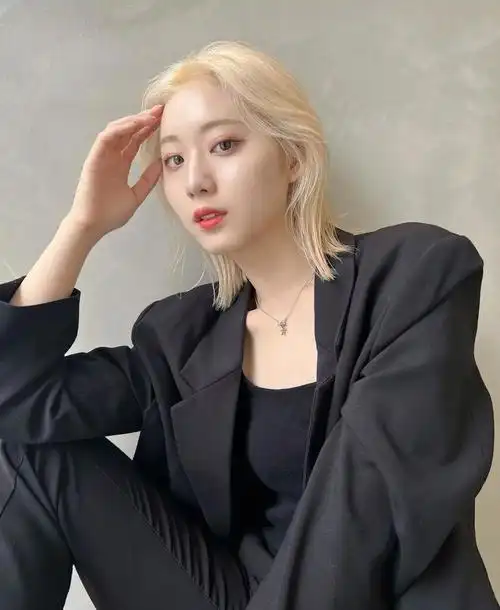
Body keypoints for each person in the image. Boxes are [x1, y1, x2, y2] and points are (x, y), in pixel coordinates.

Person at [0, 40, 497, 610]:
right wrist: (82, 225)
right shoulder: (179, 336)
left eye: (225, 145)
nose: (196, 181)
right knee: (25, 450)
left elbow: (370, 506)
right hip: (220, 594)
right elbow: (15, 400)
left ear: (294, 157)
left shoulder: (414, 275)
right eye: (174, 160)